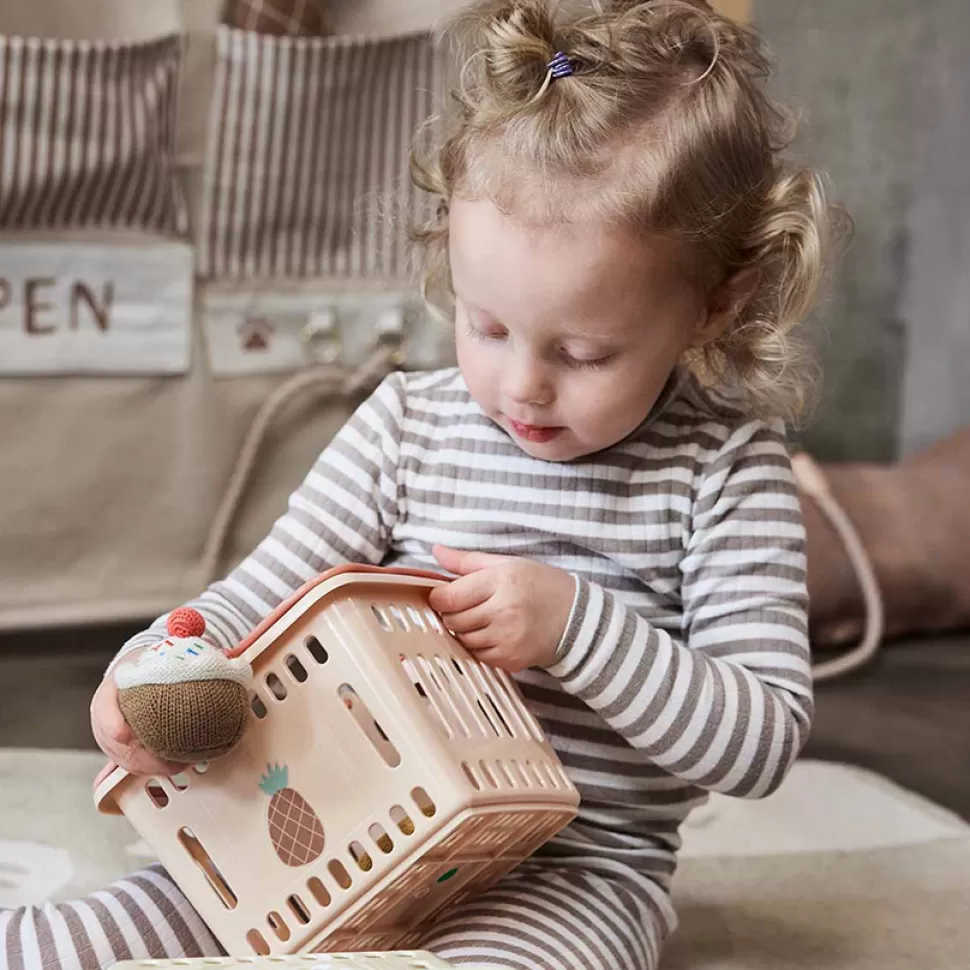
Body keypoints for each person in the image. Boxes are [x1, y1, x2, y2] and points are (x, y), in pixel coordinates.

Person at [2, 1, 844, 967]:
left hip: (575, 875)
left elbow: (761, 740)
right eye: (486, 326)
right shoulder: (409, 426)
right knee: (74, 944)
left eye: (583, 351)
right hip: (333, 823)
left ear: (716, 302)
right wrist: (152, 668)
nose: (523, 384)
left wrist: (579, 627)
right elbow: (258, 597)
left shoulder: (723, 475)